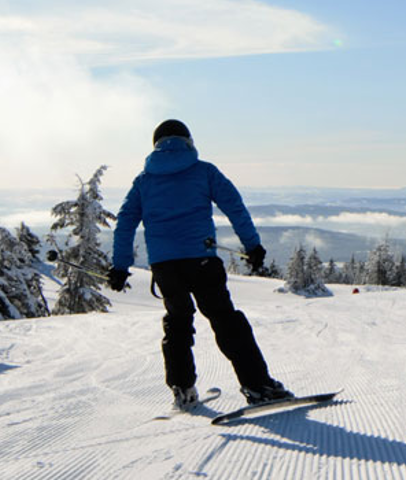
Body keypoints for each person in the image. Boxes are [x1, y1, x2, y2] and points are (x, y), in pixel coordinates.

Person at [108, 119, 292, 411]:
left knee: (178, 323)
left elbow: (125, 224)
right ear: (188, 141)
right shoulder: (204, 171)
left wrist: (120, 267)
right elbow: (234, 206)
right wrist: (252, 245)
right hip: (202, 260)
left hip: (166, 267)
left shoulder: (144, 182)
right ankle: (258, 386)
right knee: (225, 320)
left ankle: (182, 389)